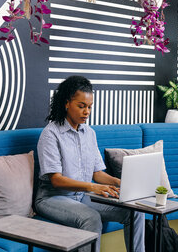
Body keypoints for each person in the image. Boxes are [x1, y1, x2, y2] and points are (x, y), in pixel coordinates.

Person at [35, 75, 145, 252]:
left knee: (135, 211)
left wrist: (121, 183)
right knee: (91, 218)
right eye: (81, 106)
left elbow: (97, 173)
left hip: (81, 196)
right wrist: (93, 188)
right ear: (66, 103)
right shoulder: (51, 134)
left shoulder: (89, 133)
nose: (87, 112)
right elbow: (56, 180)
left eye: (89, 107)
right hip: (52, 197)